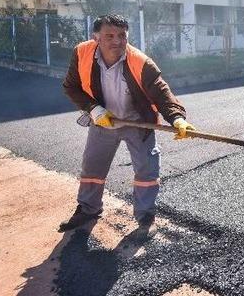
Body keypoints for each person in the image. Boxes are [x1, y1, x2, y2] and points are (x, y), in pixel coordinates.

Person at [60, 14, 195, 231]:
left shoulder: (140, 61)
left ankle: (145, 215)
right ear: (95, 37)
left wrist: (177, 119)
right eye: (109, 35)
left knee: (146, 171)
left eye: (122, 35)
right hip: (103, 122)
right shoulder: (81, 53)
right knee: (92, 168)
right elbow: (71, 87)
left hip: (137, 123)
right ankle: (88, 209)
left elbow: (161, 92)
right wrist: (94, 110)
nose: (117, 41)